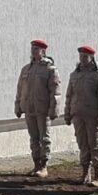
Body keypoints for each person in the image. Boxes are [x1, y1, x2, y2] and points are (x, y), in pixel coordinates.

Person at [64, 46, 98, 187]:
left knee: (94, 145)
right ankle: (85, 173)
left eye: (85, 56)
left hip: (93, 116)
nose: (82, 59)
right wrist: (67, 113)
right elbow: (69, 95)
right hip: (78, 114)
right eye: (81, 56)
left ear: (92, 58)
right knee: (82, 145)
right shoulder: (74, 75)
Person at [14, 39, 61, 177]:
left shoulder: (50, 70)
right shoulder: (26, 69)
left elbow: (55, 91)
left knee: (44, 138)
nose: (33, 51)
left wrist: (54, 109)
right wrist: (18, 105)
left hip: (42, 109)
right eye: (32, 49)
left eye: (36, 49)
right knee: (33, 138)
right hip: (29, 108)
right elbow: (20, 89)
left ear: (43, 51)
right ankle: (36, 164)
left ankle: (44, 166)